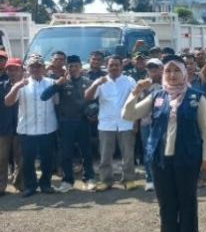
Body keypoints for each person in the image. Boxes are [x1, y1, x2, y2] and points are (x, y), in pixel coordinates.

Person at [123, 55, 206, 232]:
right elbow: (128, 115)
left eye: (177, 70)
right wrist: (135, 92)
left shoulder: (196, 97)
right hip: (160, 159)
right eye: (168, 71)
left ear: (185, 72)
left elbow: (205, 131)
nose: (172, 75)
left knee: (187, 201)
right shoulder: (157, 96)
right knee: (166, 203)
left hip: (187, 158)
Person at [40, 55, 96, 193]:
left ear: (81, 67)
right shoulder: (62, 82)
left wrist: (94, 112)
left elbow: (95, 101)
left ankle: (89, 178)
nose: (73, 68)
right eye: (70, 66)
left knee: (86, 152)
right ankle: (67, 181)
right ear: (67, 68)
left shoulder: (88, 82)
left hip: (83, 122)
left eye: (76, 66)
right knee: (66, 153)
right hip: (66, 123)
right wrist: (57, 84)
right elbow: (44, 96)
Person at [4, 54, 58, 197]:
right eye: (32, 66)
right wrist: (16, 87)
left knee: (47, 159)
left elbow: (57, 102)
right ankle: (30, 186)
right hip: (27, 129)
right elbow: (8, 102)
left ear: (44, 68)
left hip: (47, 128)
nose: (35, 69)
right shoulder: (22, 84)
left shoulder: (52, 83)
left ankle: (46, 184)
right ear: (27, 68)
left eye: (38, 66)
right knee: (28, 160)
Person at [84, 55, 137, 191]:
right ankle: (106, 180)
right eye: (111, 65)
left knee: (128, 154)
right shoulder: (101, 81)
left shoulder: (129, 80)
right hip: (106, 124)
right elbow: (88, 97)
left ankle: (129, 179)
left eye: (116, 65)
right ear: (106, 67)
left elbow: (136, 100)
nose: (114, 67)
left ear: (121, 66)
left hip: (126, 122)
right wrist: (95, 84)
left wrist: (136, 122)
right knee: (105, 155)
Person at [135, 58, 164, 191]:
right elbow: (136, 104)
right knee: (148, 151)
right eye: (150, 68)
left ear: (161, 69)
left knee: (163, 150)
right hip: (146, 123)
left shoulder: (167, 83)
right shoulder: (142, 84)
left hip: (163, 123)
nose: (153, 70)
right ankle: (150, 179)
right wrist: (135, 123)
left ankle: (163, 178)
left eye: (155, 67)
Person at [0, 58, 23, 195]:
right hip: (3, 127)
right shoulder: (1, 85)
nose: (12, 72)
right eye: (10, 69)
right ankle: (1, 185)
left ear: (21, 70)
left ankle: (19, 183)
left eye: (15, 69)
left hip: (22, 127)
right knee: (1, 159)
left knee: (21, 158)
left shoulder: (28, 86)